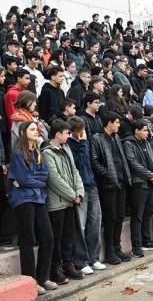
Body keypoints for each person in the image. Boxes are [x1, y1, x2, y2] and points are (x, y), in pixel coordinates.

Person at [7, 120, 56, 295]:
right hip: (22, 200)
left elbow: (44, 176)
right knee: (27, 240)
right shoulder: (18, 153)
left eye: (37, 129)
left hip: (38, 198)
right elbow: (24, 178)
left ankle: (43, 277)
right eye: (33, 129)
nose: (37, 131)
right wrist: (33, 181)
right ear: (23, 132)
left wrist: (31, 181)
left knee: (48, 237)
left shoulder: (39, 152)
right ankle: (31, 280)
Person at [43, 119, 85, 284]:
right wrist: (72, 195)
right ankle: (56, 269)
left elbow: (75, 172)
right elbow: (54, 179)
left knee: (68, 236)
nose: (69, 135)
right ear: (58, 134)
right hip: (57, 203)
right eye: (67, 133)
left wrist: (79, 192)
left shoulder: (66, 148)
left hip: (70, 201)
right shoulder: (47, 153)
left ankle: (68, 265)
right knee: (57, 237)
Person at [91, 111, 132, 265]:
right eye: (116, 122)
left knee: (120, 216)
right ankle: (109, 251)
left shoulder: (117, 138)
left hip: (121, 182)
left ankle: (117, 247)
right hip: (108, 185)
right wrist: (106, 173)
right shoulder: (97, 138)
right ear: (109, 123)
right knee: (110, 218)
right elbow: (94, 161)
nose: (119, 125)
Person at [67, 117, 105, 274]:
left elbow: (89, 163)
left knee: (95, 222)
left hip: (91, 185)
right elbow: (79, 163)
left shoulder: (85, 142)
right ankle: (80, 261)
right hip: (79, 188)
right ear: (74, 131)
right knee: (80, 226)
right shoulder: (70, 145)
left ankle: (93, 258)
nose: (83, 132)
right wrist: (82, 144)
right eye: (80, 129)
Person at [123, 119, 153, 256]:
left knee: (148, 212)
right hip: (139, 184)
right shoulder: (129, 143)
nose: (147, 133)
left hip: (151, 182)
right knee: (137, 216)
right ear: (136, 131)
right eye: (145, 130)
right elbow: (132, 163)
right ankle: (137, 246)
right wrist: (149, 175)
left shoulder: (146, 143)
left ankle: (147, 241)